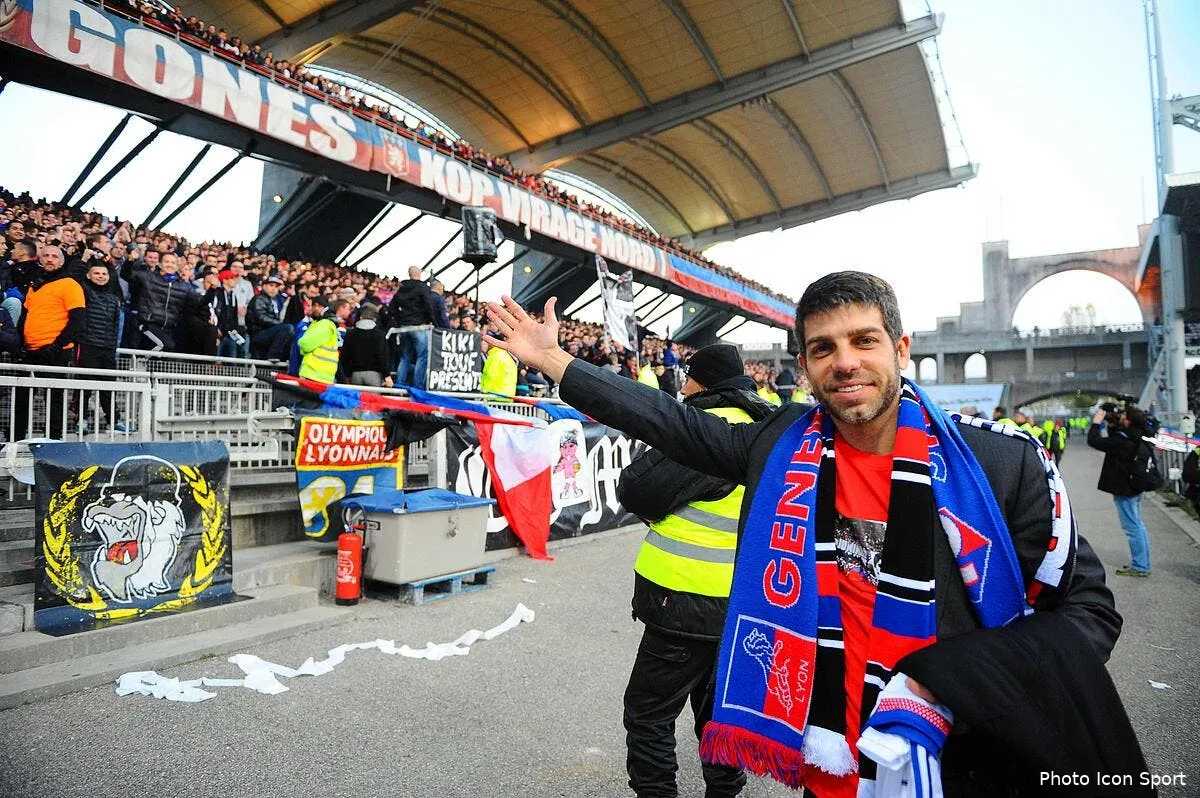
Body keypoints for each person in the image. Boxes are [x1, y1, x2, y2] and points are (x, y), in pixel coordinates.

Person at [483, 272, 1137, 795]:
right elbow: (671, 423)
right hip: (830, 760)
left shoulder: (1001, 462)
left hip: (963, 759)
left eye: (863, 341)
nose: (844, 362)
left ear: (901, 349)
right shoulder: (780, 446)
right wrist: (558, 362)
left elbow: (1087, 609)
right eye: (824, 348)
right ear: (805, 365)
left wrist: (961, 685)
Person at [615, 343, 775, 798]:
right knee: (717, 716)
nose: (682, 387)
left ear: (702, 382)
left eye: (688, 378)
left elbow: (637, 488)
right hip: (743, 603)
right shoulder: (765, 425)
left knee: (648, 716)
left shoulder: (704, 429)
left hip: (683, 601)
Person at [15, 245, 84, 439]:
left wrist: (56, 345)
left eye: (55, 256)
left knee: (55, 400)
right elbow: (24, 317)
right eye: (46, 255)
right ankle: (16, 438)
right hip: (30, 351)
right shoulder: (34, 286)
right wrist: (20, 344)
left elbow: (78, 320)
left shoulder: (70, 284)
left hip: (55, 351)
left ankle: (54, 442)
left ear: (62, 261)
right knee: (22, 397)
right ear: (39, 259)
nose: (50, 259)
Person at [1087, 403, 1152, 577]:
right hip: (1134, 486)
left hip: (1125, 489)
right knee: (1138, 525)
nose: (1120, 416)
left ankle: (1140, 567)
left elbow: (1094, 441)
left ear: (1129, 421)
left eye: (1124, 416)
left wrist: (1096, 422)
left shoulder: (1123, 441)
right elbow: (1114, 440)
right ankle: (1143, 563)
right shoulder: (1134, 435)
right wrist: (1112, 426)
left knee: (1132, 528)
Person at [77, 261, 123, 429]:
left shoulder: (113, 299)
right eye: (97, 273)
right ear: (88, 275)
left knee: (109, 388)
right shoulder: (84, 291)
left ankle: (114, 422)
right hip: (88, 345)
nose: (101, 277)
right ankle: (80, 421)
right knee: (84, 387)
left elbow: (115, 326)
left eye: (104, 274)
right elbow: (75, 277)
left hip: (108, 349)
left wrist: (112, 347)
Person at [389, 265, 438, 389]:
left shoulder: (401, 289)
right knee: (422, 356)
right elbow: (428, 305)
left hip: (405, 327)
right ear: (419, 273)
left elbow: (392, 307)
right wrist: (431, 321)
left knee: (405, 356)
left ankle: (399, 385)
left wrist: (400, 320)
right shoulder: (422, 288)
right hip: (419, 327)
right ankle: (417, 387)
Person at [298, 299, 351, 384]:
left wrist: (302, 350)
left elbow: (305, 344)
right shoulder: (330, 325)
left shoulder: (324, 325)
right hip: (323, 376)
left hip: (313, 373)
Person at [341, 304, 393, 387]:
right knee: (372, 399)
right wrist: (387, 375)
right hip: (374, 375)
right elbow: (382, 356)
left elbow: (345, 356)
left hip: (355, 375)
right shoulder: (379, 334)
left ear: (361, 318)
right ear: (374, 319)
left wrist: (347, 375)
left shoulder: (350, 334)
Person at [246, 276, 294, 361]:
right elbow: (261, 318)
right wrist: (279, 324)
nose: (274, 289)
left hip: (265, 333)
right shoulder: (259, 299)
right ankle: (273, 355)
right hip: (258, 334)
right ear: (264, 286)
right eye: (271, 285)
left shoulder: (272, 301)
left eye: (276, 287)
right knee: (287, 328)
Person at [480, 334, 518, 398]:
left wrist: (483, 393)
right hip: (507, 396)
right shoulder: (507, 356)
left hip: (494, 396)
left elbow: (490, 376)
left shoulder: (495, 357)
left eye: (486, 342)